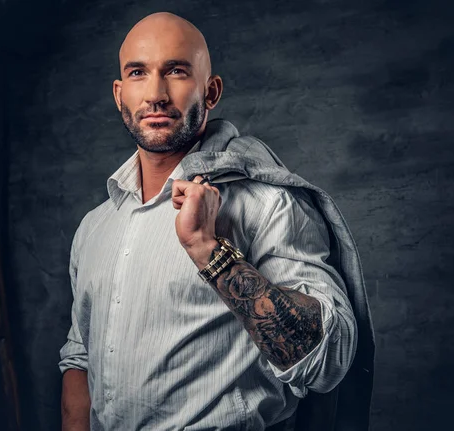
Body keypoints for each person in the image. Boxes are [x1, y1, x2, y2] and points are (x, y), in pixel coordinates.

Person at [59, 12, 374, 431]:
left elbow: (328, 358)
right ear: (119, 94)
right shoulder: (95, 226)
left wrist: (209, 251)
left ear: (211, 91)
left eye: (175, 71)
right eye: (138, 73)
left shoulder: (268, 204)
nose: (155, 94)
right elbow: (80, 357)